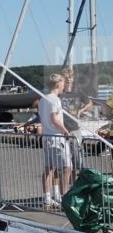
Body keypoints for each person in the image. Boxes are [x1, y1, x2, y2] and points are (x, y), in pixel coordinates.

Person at [39, 73, 73, 208]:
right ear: (58, 84)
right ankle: (65, 198)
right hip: (56, 137)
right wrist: (65, 131)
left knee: (49, 168)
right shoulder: (55, 100)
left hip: (47, 136)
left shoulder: (42, 99)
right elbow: (54, 118)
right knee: (67, 168)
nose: (64, 86)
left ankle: (48, 197)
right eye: (63, 83)